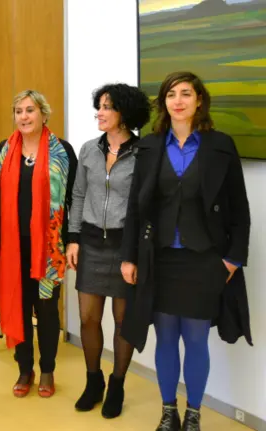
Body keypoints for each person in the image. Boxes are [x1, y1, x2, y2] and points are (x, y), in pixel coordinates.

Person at [120, 71, 251, 431]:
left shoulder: (220, 145)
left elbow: (239, 209)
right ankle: (168, 412)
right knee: (165, 339)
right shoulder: (149, 147)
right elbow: (135, 208)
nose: (178, 101)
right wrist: (129, 256)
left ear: (199, 100)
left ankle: (193, 414)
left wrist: (233, 259)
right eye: (171, 95)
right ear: (163, 103)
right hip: (159, 259)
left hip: (204, 260)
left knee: (195, 340)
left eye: (186, 94)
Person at [66, 83, 150, 418]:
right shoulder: (89, 149)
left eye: (107, 107)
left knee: (122, 320)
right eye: (98, 106)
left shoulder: (144, 154)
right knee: (88, 317)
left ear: (124, 113)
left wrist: (137, 252)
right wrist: (73, 237)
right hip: (90, 242)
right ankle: (93, 380)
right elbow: (78, 195)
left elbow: (145, 207)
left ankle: (117, 384)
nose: (99, 113)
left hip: (124, 246)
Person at [0, 90, 77, 400]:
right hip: (12, 247)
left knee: (46, 309)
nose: (24, 116)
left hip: (49, 248)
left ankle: (47, 370)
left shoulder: (62, 151)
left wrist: (73, 240)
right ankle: (24, 369)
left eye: (30, 110)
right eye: (19, 111)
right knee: (19, 305)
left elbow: (74, 199)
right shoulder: (4, 150)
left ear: (43, 113)